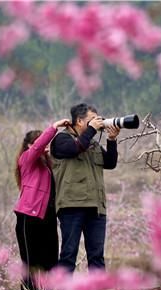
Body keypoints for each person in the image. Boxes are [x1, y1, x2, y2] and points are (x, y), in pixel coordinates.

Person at [50, 103, 120, 276]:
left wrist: (111, 140)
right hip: (71, 206)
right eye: (92, 120)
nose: (97, 123)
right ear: (79, 121)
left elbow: (110, 163)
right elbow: (75, 148)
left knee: (97, 256)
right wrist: (92, 131)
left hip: (96, 207)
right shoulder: (61, 140)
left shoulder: (92, 144)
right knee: (69, 254)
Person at [13, 118, 70, 290]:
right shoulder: (26, 160)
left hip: (48, 218)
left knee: (50, 259)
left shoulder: (48, 165)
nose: (45, 147)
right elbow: (39, 147)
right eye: (38, 143)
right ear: (30, 146)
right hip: (29, 217)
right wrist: (54, 127)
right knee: (31, 261)